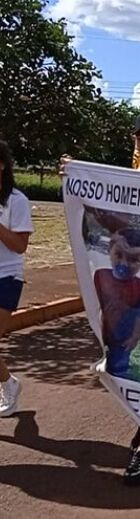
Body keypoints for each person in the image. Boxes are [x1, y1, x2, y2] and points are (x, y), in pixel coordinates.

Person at [61, 109, 140, 485]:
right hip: (120, 291)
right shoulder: (119, 183)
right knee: (120, 366)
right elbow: (94, 213)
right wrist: (73, 178)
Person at [0, 141, 34, 418]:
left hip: (7, 276)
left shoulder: (16, 201)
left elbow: (20, 245)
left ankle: (8, 384)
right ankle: (9, 382)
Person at [94, 229, 140, 378]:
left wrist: (134, 338)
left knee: (119, 364)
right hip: (102, 330)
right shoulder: (100, 276)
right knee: (99, 356)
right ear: (109, 251)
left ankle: (119, 378)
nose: (124, 263)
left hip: (123, 337)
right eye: (119, 255)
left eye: (133, 260)